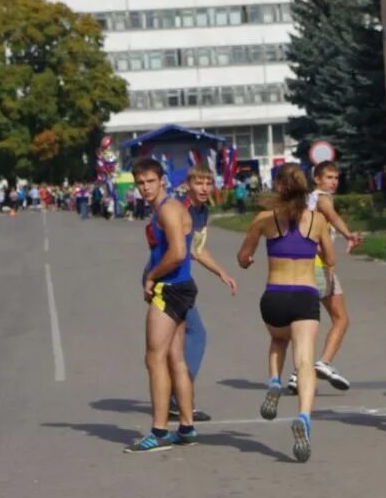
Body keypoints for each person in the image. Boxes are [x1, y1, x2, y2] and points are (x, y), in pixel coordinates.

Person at [236, 164, 336, 462]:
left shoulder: (265, 219)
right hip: (305, 296)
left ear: (278, 187)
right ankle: (304, 417)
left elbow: (243, 257)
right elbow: (330, 258)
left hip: (274, 297)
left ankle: (274, 383)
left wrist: (248, 260)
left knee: (279, 340)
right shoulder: (316, 221)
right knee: (305, 361)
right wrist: (315, 248)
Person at [125, 159, 198, 453]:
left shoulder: (168, 209)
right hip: (176, 288)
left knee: (154, 359)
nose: (145, 188)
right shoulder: (164, 209)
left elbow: (179, 254)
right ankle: (187, 426)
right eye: (140, 183)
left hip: (170, 289)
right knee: (174, 358)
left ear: (162, 180)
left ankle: (158, 431)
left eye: (150, 181)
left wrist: (152, 277)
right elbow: (165, 251)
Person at [168, 166, 238, 423]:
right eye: (199, 183)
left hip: (180, 279)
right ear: (188, 185)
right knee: (195, 334)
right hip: (171, 280)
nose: (205, 188)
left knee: (179, 340)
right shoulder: (180, 208)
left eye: (208, 183)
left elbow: (197, 250)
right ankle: (177, 398)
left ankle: (175, 398)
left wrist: (222, 273)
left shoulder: (201, 210)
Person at [302, 161, 365, 391]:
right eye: (328, 177)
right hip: (319, 267)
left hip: (304, 266)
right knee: (341, 318)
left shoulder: (308, 200)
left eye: (336, 177)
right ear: (317, 179)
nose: (333, 182)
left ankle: (299, 372)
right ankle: (323, 362)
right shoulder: (322, 198)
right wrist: (349, 234)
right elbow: (333, 214)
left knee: (306, 322)